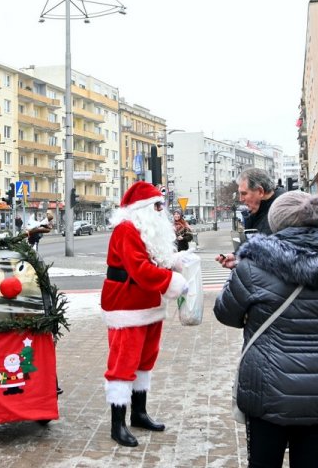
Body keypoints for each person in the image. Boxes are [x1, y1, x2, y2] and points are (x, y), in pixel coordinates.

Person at [214, 191, 318, 468]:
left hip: (265, 390)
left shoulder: (251, 266)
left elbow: (226, 314)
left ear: (276, 222)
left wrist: (236, 276)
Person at [102, 181, 188, 447]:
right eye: (157, 206)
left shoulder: (144, 229)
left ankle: (139, 413)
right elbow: (139, 268)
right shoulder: (127, 229)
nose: (162, 211)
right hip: (126, 305)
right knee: (124, 362)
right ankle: (118, 424)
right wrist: (171, 281)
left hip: (149, 304)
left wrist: (173, 262)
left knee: (145, 359)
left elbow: (154, 258)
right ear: (143, 208)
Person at [215, 167, 283, 269]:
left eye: (244, 193)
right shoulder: (258, 210)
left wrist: (241, 261)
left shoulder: (284, 212)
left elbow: (275, 258)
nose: (241, 199)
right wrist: (236, 255)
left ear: (260, 191)